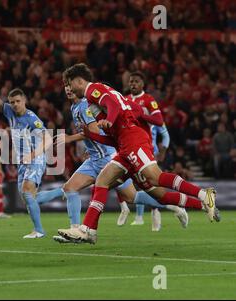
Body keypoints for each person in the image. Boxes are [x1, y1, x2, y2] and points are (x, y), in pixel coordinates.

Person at [57, 63, 219, 244]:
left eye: (70, 83)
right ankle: (89, 230)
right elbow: (112, 136)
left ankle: (205, 195)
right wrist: (92, 135)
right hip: (123, 144)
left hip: (133, 139)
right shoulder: (92, 103)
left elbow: (113, 105)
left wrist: (110, 120)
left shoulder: (93, 89)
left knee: (156, 177)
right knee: (113, 184)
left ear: (79, 81)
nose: (69, 88)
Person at [34, 81, 186, 244]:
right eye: (65, 86)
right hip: (94, 159)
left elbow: (93, 131)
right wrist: (90, 147)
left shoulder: (86, 105)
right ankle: (76, 230)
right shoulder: (74, 107)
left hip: (108, 158)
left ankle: (173, 205)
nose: (68, 89)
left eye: (71, 85)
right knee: (70, 188)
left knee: (132, 197)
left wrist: (70, 138)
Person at [0, 63, 52, 239]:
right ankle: (62, 192)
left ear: (24, 101)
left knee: (26, 191)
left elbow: (48, 139)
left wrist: (32, 155)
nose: (15, 105)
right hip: (23, 161)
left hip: (36, 157)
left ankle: (39, 231)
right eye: (12, 102)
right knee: (29, 198)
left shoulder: (32, 119)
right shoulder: (8, 111)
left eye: (18, 101)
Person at [118, 71, 171, 231]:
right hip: (129, 147)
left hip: (148, 148)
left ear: (142, 84)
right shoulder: (125, 100)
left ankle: (157, 211)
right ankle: (136, 215)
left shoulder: (148, 100)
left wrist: (163, 148)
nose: (133, 84)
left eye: (136, 81)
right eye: (131, 81)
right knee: (128, 182)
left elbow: (162, 128)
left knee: (149, 183)